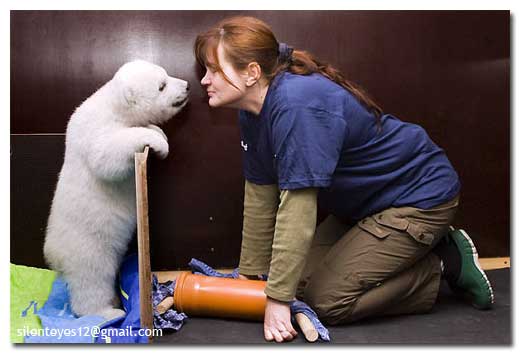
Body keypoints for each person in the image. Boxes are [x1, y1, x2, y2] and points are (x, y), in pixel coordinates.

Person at [194, 16, 494, 343]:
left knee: (327, 301)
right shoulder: (252, 109)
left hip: (417, 199)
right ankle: (414, 252)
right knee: (297, 283)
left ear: (251, 73)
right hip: (365, 207)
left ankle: (443, 264)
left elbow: (297, 209)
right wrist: (250, 278)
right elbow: (260, 195)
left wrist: (278, 299)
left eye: (214, 70)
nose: (205, 80)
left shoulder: (297, 105)